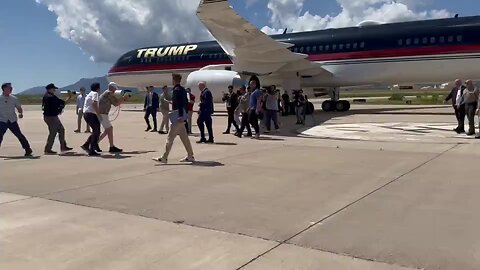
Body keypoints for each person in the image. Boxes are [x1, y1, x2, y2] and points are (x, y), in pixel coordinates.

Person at [153, 74, 195, 164]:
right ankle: (190, 155)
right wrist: (184, 115)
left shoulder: (175, 90)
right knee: (185, 138)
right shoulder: (183, 90)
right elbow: (185, 103)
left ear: (174, 80)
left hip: (177, 118)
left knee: (170, 138)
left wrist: (180, 115)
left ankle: (164, 157)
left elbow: (179, 103)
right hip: (182, 116)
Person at [0, 83, 32, 157]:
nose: (11, 89)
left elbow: (19, 107)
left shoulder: (14, 98)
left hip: (12, 120)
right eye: (9, 88)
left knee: (19, 135)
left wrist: (20, 113)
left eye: (11, 88)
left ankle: (28, 149)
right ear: (4, 89)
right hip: (2, 120)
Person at [42, 83, 73, 154]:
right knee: (53, 133)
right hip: (51, 117)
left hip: (52, 117)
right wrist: (69, 97)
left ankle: (63, 146)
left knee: (61, 130)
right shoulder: (50, 97)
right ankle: (48, 149)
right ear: (50, 89)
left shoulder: (49, 96)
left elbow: (61, 103)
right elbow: (62, 103)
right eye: (53, 89)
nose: (55, 90)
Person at [98, 82, 128, 153]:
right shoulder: (109, 93)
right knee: (109, 129)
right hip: (103, 114)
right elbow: (116, 103)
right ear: (112, 87)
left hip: (103, 114)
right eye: (115, 89)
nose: (115, 90)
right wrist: (123, 98)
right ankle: (111, 147)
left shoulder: (107, 93)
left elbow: (116, 103)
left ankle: (95, 143)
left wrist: (122, 99)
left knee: (107, 130)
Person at [81, 82, 102, 156]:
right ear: (98, 88)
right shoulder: (95, 94)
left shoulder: (90, 93)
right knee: (96, 131)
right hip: (91, 114)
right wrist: (98, 114)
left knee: (96, 131)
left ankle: (86, 145)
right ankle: (91, 150)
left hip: (87, 114)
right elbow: (94, 103)